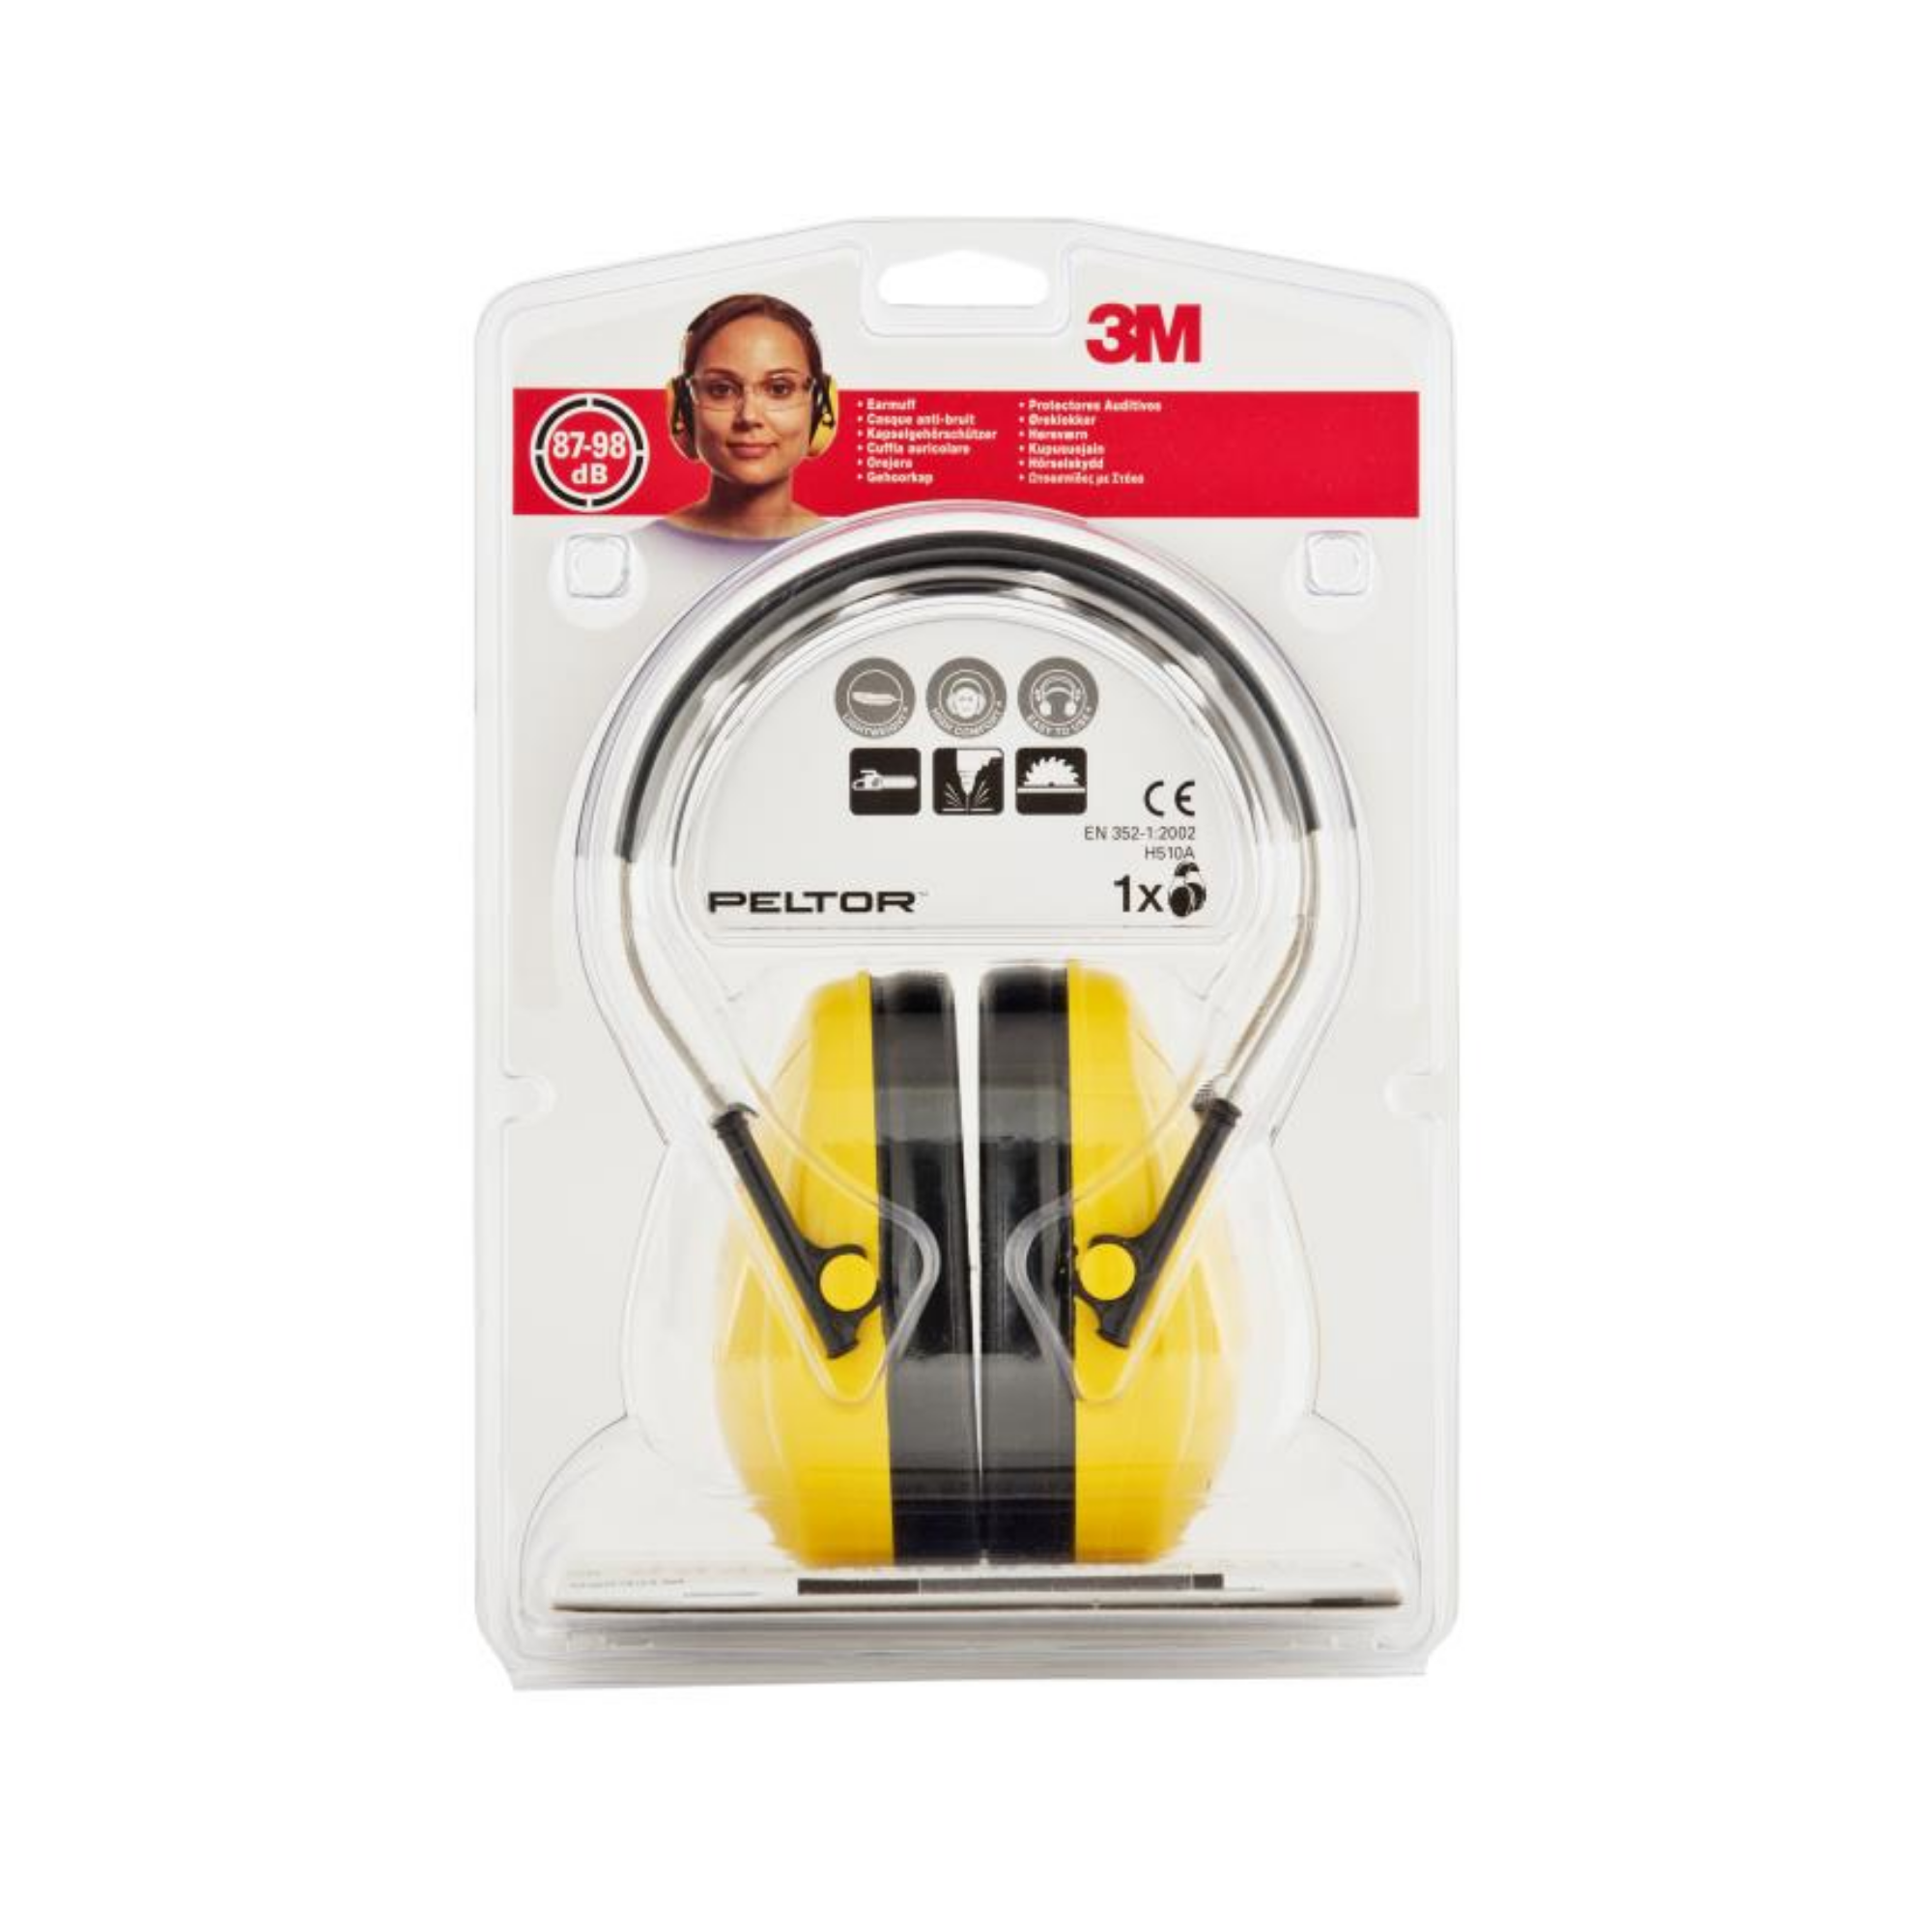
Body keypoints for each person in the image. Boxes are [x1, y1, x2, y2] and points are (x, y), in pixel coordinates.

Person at [662, 294, 838, 542]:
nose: (748, 416)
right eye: (721, 389)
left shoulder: (842, 549)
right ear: (684, 407)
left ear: (819, 405)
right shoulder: (638, 548)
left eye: (779, 389)